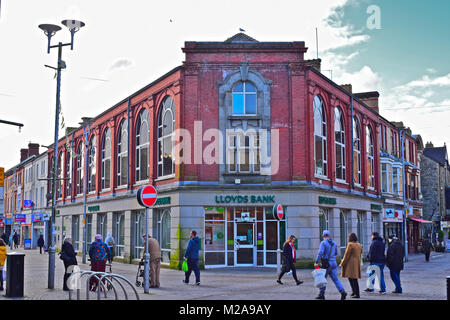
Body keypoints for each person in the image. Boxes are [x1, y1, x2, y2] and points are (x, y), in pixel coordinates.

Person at [314, 230, 347, 300]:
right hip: (333, 263)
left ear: (323, 236)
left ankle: (321, 294)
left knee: (322, 279)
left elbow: (320, 253)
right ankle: (342, 292)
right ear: (329, 236)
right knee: (335, 279)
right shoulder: (334, 243)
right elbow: (336, 253)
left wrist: (316, 261)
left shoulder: (323, 243)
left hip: (326, 264)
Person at [339, 233, 363, 298]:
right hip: (357, 263)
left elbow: (346, 255)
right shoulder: (358, 245)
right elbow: (361, 252)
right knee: (354, 278)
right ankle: (354, 292)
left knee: (352, 278)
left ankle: (356, 293)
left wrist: (342, 263)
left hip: (350, 264)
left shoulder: (350, 245)